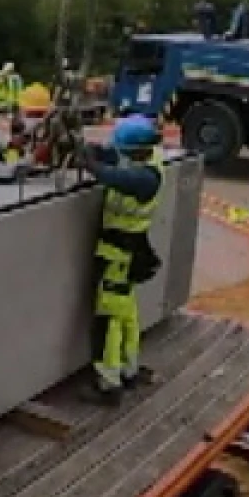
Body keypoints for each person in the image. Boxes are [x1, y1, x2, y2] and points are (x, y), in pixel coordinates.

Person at [83, 114, 166, 403]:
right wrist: (89, 149)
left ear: (134, 151)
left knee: (108, 319)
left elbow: (116, 176)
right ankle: (128, 370)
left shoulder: (145, 178)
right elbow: (112, 158)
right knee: (127, 315)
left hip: (117, 255)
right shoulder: (146, 160)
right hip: (127, 255)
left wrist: (89, 164)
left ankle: (108, 384)